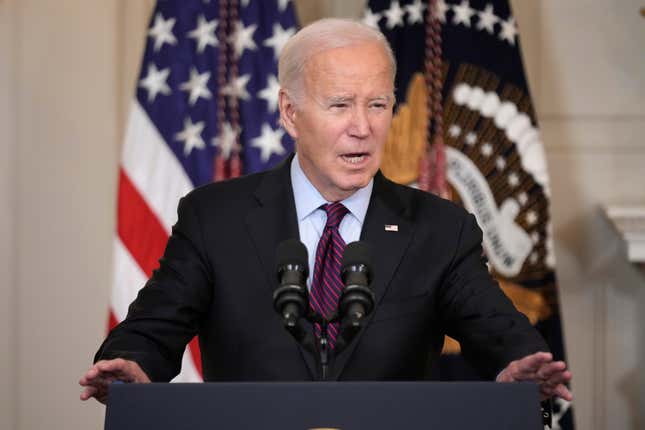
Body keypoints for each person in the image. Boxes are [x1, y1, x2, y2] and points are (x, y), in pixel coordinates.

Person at [80, 18, 571, 405]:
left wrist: (520, 363)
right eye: (340, 105)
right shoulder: (216, 218)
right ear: (290, 113)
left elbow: (499, 332)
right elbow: (153, 328)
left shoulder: (440, 228)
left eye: (378, 105)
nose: (363, 127)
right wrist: (131, 366)